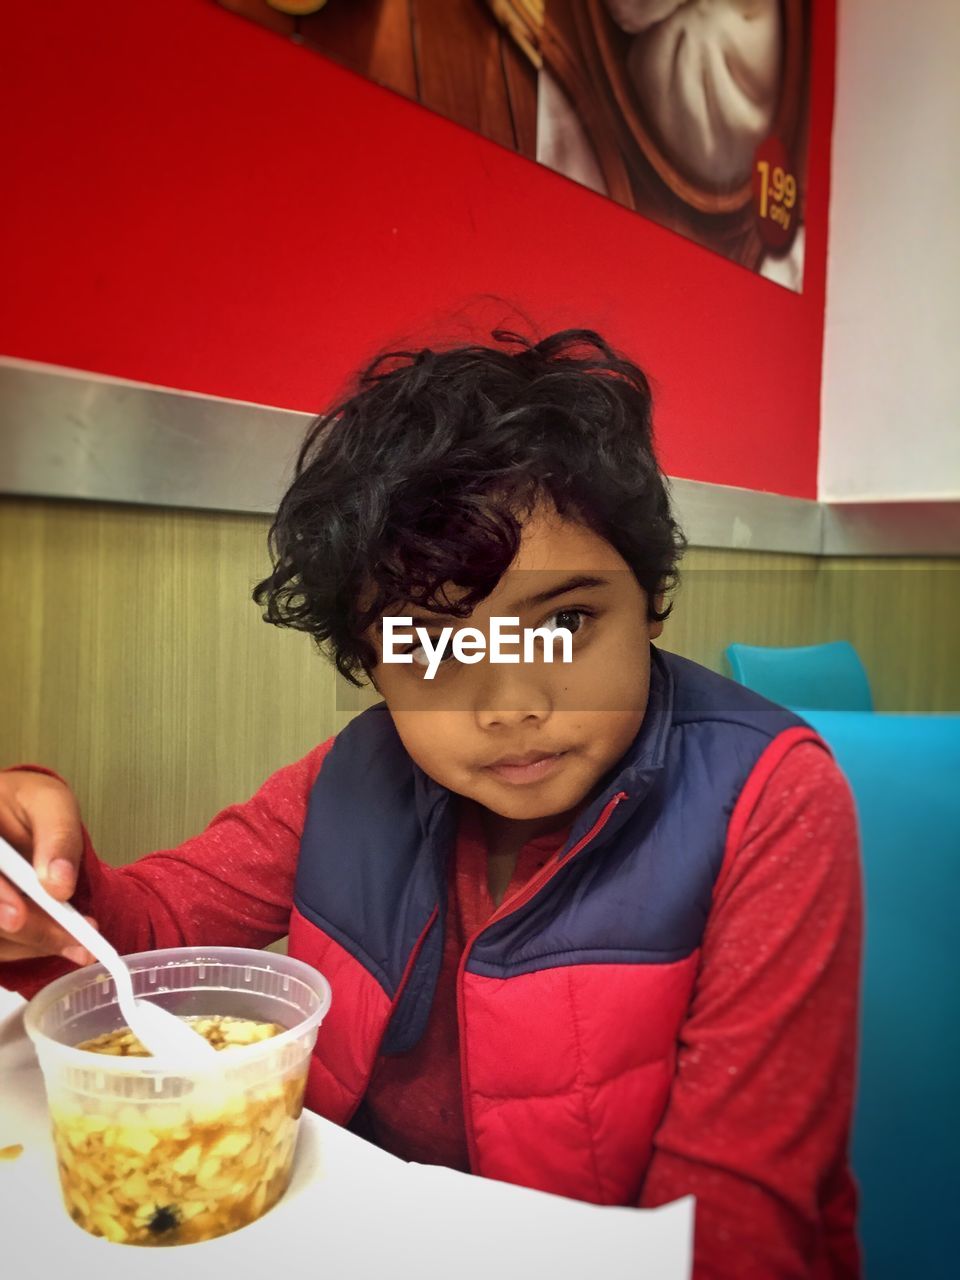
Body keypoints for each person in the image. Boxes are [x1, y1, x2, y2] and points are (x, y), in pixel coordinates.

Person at [0, 329, 861, 1277]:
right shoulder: (351, 778)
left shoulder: (767, 802)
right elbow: (147, 941)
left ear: (651, 598)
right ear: (370, 662)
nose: (511, 705)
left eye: (565, 623)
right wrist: (47, 895)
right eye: (435, 645)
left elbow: (733, 1232)